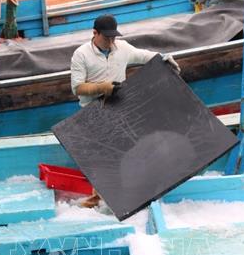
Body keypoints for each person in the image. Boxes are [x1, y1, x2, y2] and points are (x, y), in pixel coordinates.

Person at [70, 14, 181, 207]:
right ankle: (99, 199)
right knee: (101, 158)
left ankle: (137, 192)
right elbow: (77, 88)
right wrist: (101, 87)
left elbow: (144, 56)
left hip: (118, 106)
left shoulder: (122, 48)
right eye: (106, 37)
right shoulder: (81, 54)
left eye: (113, 37)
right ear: (95, 33)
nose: (111, 41)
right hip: (92, 111)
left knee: (129, 149)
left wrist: (164, 57)